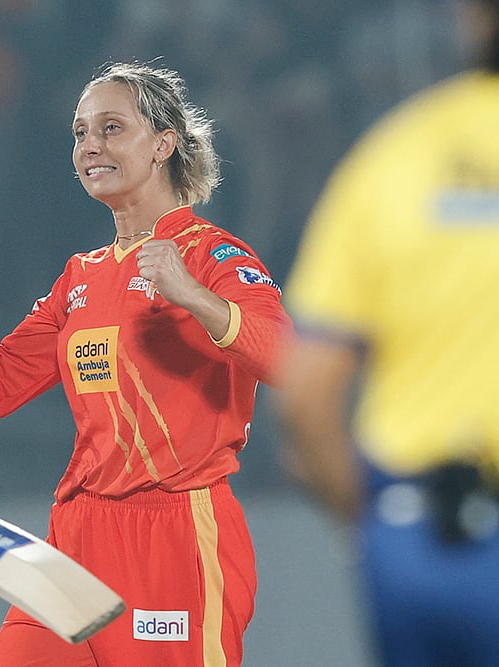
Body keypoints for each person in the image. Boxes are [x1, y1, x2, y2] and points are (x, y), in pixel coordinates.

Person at [0, 60, 292, 666]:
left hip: (176, 540)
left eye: (111, 128)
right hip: (74, 539)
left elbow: (286, 359)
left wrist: (196, 297)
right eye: (79, 132)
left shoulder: (213, 255)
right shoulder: (82, 276)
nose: (89, 146)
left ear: (163, 145)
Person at [274, 2, 499, 665]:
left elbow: (306, 397)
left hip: (420, 538)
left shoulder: (396, 157)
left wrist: (364, 519)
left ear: (474, 19)